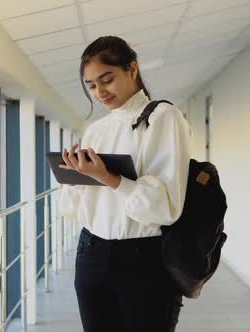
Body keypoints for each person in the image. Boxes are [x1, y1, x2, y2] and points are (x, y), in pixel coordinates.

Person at [59, 36, 192, 332]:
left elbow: (166, 207)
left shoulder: (163, 117)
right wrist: (75, 175)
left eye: (107, 79)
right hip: (90, 252)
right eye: (91, 86)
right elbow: (76, 208)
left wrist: (108, 178)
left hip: (142, 259)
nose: (100, 92)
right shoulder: (96, 129)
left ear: (132, 69)